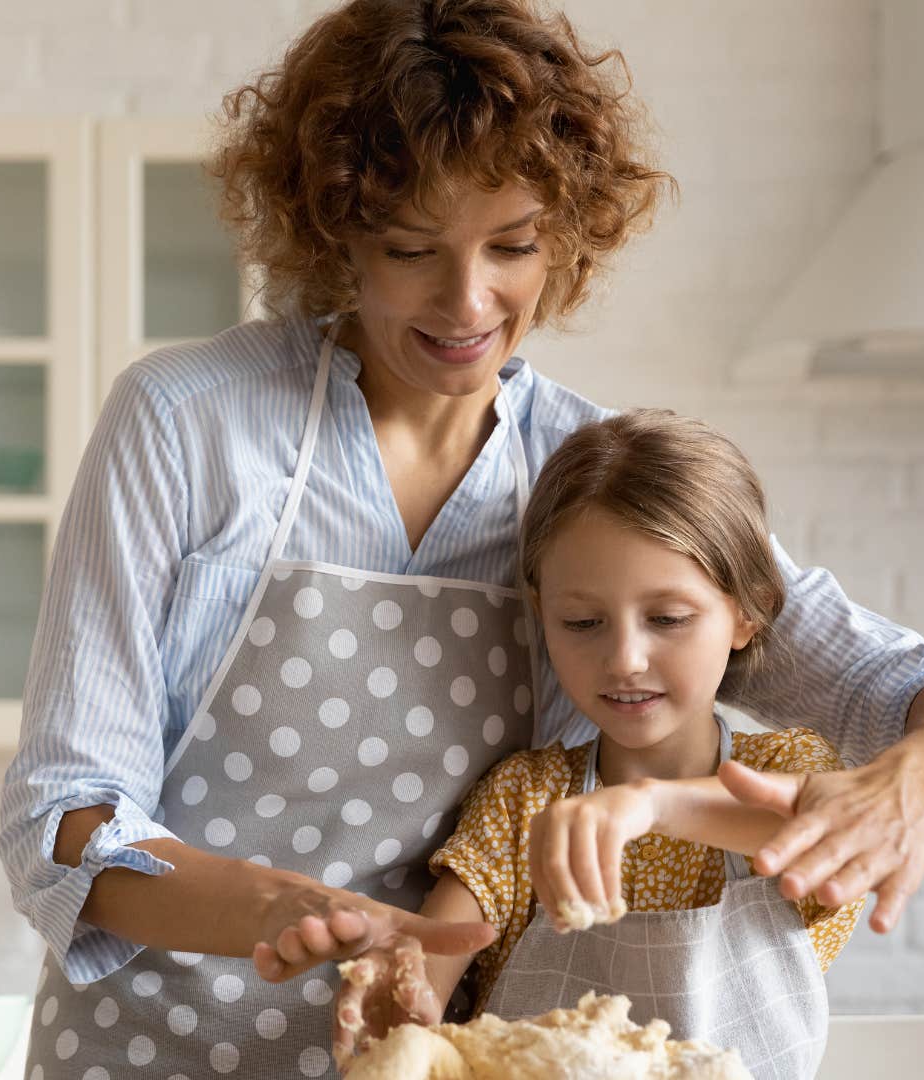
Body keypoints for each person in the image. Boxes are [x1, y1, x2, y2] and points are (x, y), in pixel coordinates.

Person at [0, 1, 924, 1076]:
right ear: (335, 233)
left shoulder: (589, 480)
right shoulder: (190, 424)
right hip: (150, 1054)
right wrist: (289, 908)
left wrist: (915, 785)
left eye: (512, 245)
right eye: (412, 247)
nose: (469, 300)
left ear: (566, 233)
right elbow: (64, 820)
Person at [314, 409, 869, 1079]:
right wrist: (395, 1007)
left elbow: (833, 831)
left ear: (746, 612)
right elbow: (426, 978)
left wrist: (650, 806)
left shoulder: (788, 771)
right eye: (582, 622)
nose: (625, 658)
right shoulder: (525, 801)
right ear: (541, 613)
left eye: (667, 618)